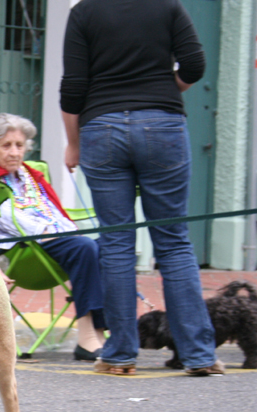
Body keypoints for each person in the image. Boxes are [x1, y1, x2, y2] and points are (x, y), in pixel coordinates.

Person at [60, 0, 222, 376]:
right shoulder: (168, 7)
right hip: (163, 124)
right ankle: (198, 354)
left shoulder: (84, 12)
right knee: (174, 240)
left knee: (116, 243)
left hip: (101, 127)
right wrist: (166, 88)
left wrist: (74, 143)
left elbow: (73, 87)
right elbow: (195, 66)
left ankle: (119, 354)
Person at [0, 113, 106, 361]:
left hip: (49, 240)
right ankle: (86, 337)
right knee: (84, 248)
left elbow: (51, 209)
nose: (14, 152)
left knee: (108, 247)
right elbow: (3, 217)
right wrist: (55, 231)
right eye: (6, 145)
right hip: (18, 249)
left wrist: (65, 229)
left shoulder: (30, 174)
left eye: (19, 145)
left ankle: (99, 331)